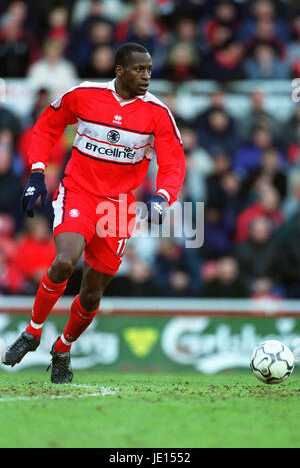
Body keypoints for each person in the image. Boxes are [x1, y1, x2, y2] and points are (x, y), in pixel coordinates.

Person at [3, 42, 186, 383]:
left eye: (149, 70)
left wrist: (163, 196)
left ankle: (63, 347)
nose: (147, 76)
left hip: (118, 208)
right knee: (64, 261)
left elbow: (174, 161)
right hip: (79, 193)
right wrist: (37, 172)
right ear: (119, 71)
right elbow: (46, 126)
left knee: (92, 292)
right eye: (139, 70)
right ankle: (32, 331)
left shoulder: (157, 113)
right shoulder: (84, 96)